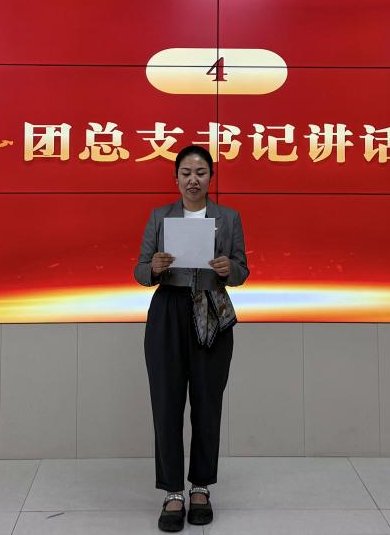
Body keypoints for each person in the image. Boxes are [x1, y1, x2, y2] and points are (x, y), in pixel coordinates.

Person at [134, 144, 249, 531]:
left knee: (206, 402)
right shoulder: (160, 216)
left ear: (210, 177)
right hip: (168, 310)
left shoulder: (228, 218)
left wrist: (229, 268)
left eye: (200, 172)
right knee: (166, 402)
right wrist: (154, 267)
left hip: (212, 308)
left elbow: (243, 270)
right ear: (176, 179)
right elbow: (139, 271)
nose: (193, 179)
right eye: (186, 173)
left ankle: (200, 487)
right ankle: (172, 491)